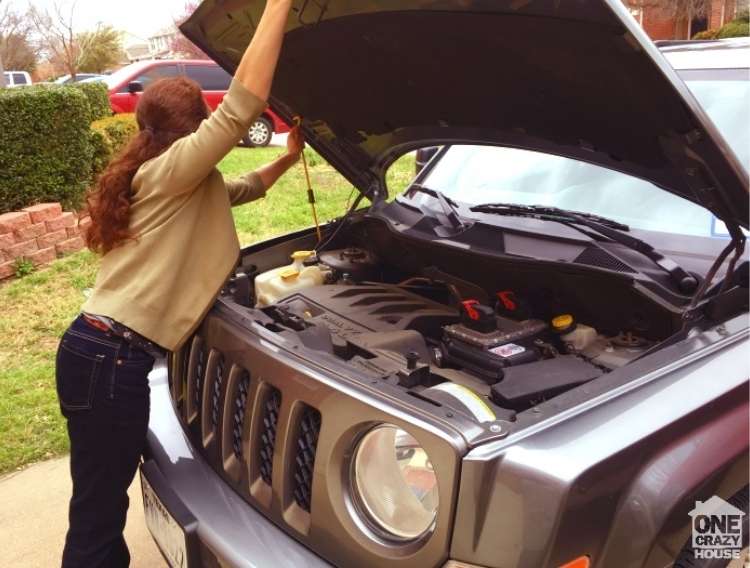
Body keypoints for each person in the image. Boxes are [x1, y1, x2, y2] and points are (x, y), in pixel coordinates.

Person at [54, 1, 299, 565]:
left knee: (96, 501)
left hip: (95, 354)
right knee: (97, 515)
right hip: (110, 362)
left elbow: (239, 188)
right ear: (191, 130)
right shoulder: (172, 170)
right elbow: (243, 107)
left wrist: (287, 160)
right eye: (204, 123)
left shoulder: (168, 177)